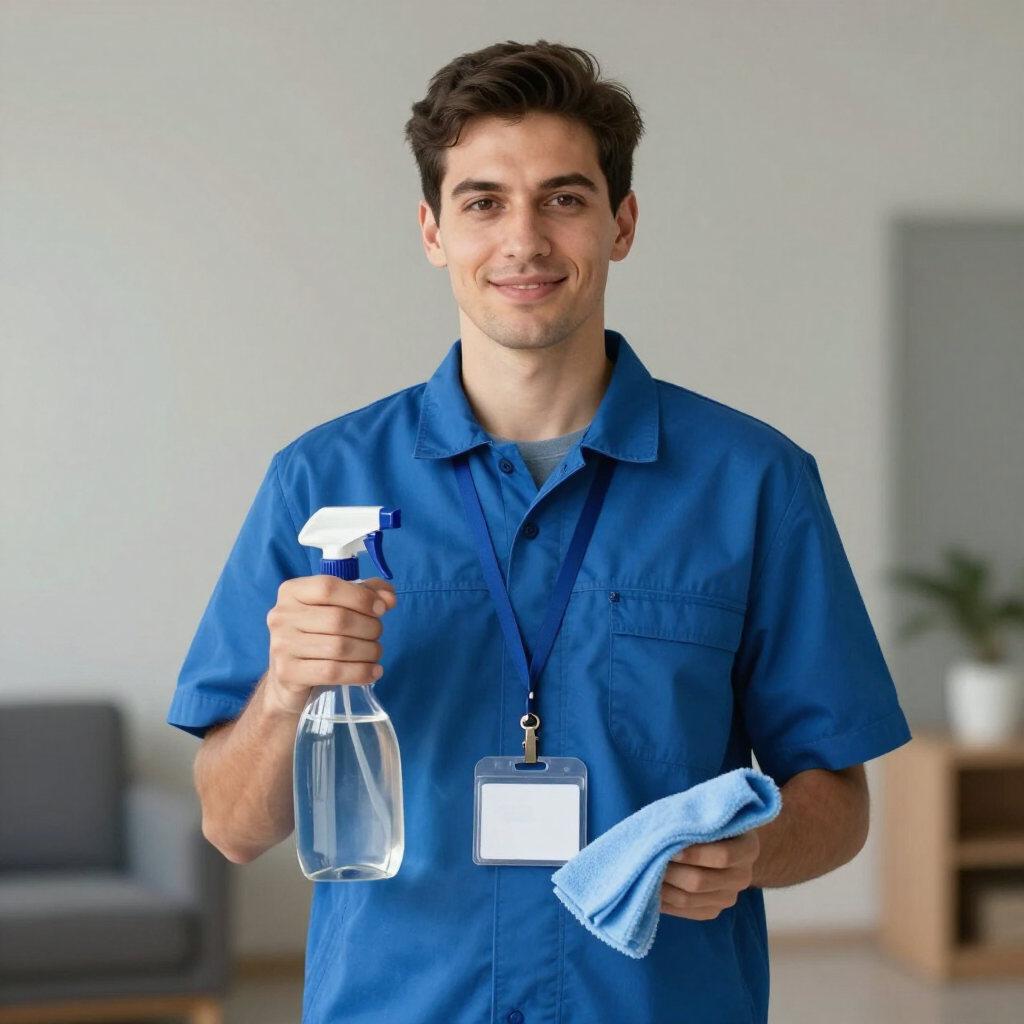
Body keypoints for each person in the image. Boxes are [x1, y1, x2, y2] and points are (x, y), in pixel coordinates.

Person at [168, 39, 912, 1024]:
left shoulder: (755, 481)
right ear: (432, 230)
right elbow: (230, 823)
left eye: (563, 198)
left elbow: (837, 797)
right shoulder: (319, 480)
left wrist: (753, 852)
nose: (523, 241)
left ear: (621, 223)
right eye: (482, 201)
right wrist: (285, 691)